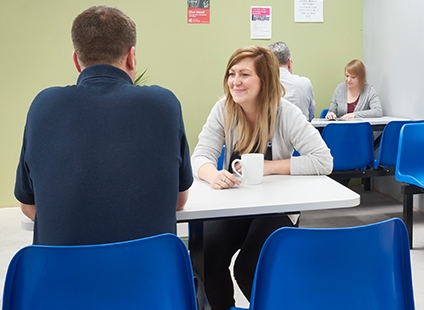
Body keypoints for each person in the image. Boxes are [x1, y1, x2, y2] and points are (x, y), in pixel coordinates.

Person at [13, 6, 193, 246]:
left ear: (77, 61)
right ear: (131, 56)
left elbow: (29, 205)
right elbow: (179, 201)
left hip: (62, 279)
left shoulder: (43, 105)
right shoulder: (164, 104)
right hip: (150, 278)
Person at [190, 45, 332, 310]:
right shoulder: (223, 109)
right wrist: (213, 175)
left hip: (276, 208)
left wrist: (270, 167)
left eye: (244, 74)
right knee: (206, 253)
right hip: (235, 204)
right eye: (232, 73)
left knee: (250, 265)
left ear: (264, 80)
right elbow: (199, 157)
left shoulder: (285, 113)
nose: (235, 81)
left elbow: (323, 160)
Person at [268, 41, 316, 121]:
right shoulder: (305, 83)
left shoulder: (262, 85)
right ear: (289, 62)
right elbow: (311, 115)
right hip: (302, 132)